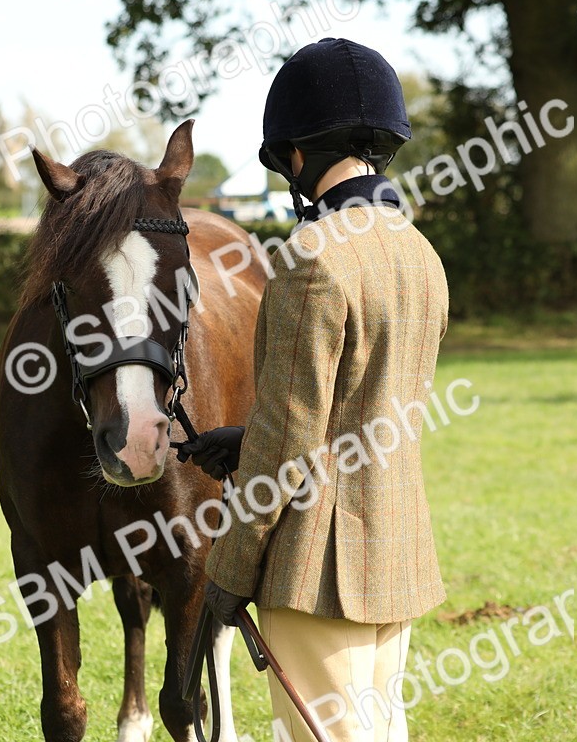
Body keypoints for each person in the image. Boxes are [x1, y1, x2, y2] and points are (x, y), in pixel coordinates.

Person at [178, 38, 448, 742]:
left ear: (296, 156)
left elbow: (292, 446)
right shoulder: (420, 252)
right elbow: (367, 401)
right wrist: (248, 438)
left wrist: (231, 570)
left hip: (316, 565)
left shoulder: (310, 256)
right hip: (397, 548)